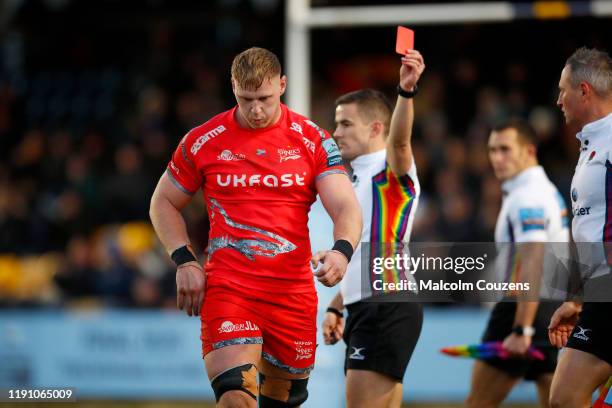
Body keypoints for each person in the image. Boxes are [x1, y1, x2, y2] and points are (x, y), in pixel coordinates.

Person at [149, 47, 362, 408]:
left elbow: (345, 205)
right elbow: (162, 202)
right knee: (236, 398)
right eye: (246, 99)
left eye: (264, 98)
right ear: (233, 86)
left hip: (291, 295)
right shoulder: (204, 140)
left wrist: (342, 251)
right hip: (230, 290)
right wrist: (184, 260)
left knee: (282, 401)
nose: (257, 110)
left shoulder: (312, 139)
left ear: (282, 85)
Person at [321, 49, 425, 408]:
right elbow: (365, 245)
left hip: (386, 303)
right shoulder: (355, 179)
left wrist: (406, 91)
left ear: (376, 128)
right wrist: (338, 305)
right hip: (370, 305)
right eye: (336, 124)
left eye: (346, 124)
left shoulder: (389, 169)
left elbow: (401, 141)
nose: (335, 133)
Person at [466, 119, 570, 408]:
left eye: (505, 149)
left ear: (529, 151)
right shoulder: (543, 189)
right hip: (551, 308)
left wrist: (522, 328)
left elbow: (533, 258)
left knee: (478, 404)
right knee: (557, 402)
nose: (497, 158)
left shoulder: (527, 196)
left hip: (522, 308)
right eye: (492, 150)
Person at [548, 47, 612, 408]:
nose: (558, 99)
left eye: (563, 90)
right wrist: (578, 298)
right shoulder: (592, 144)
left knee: (565, 397)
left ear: (584, 91)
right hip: (600, 291)